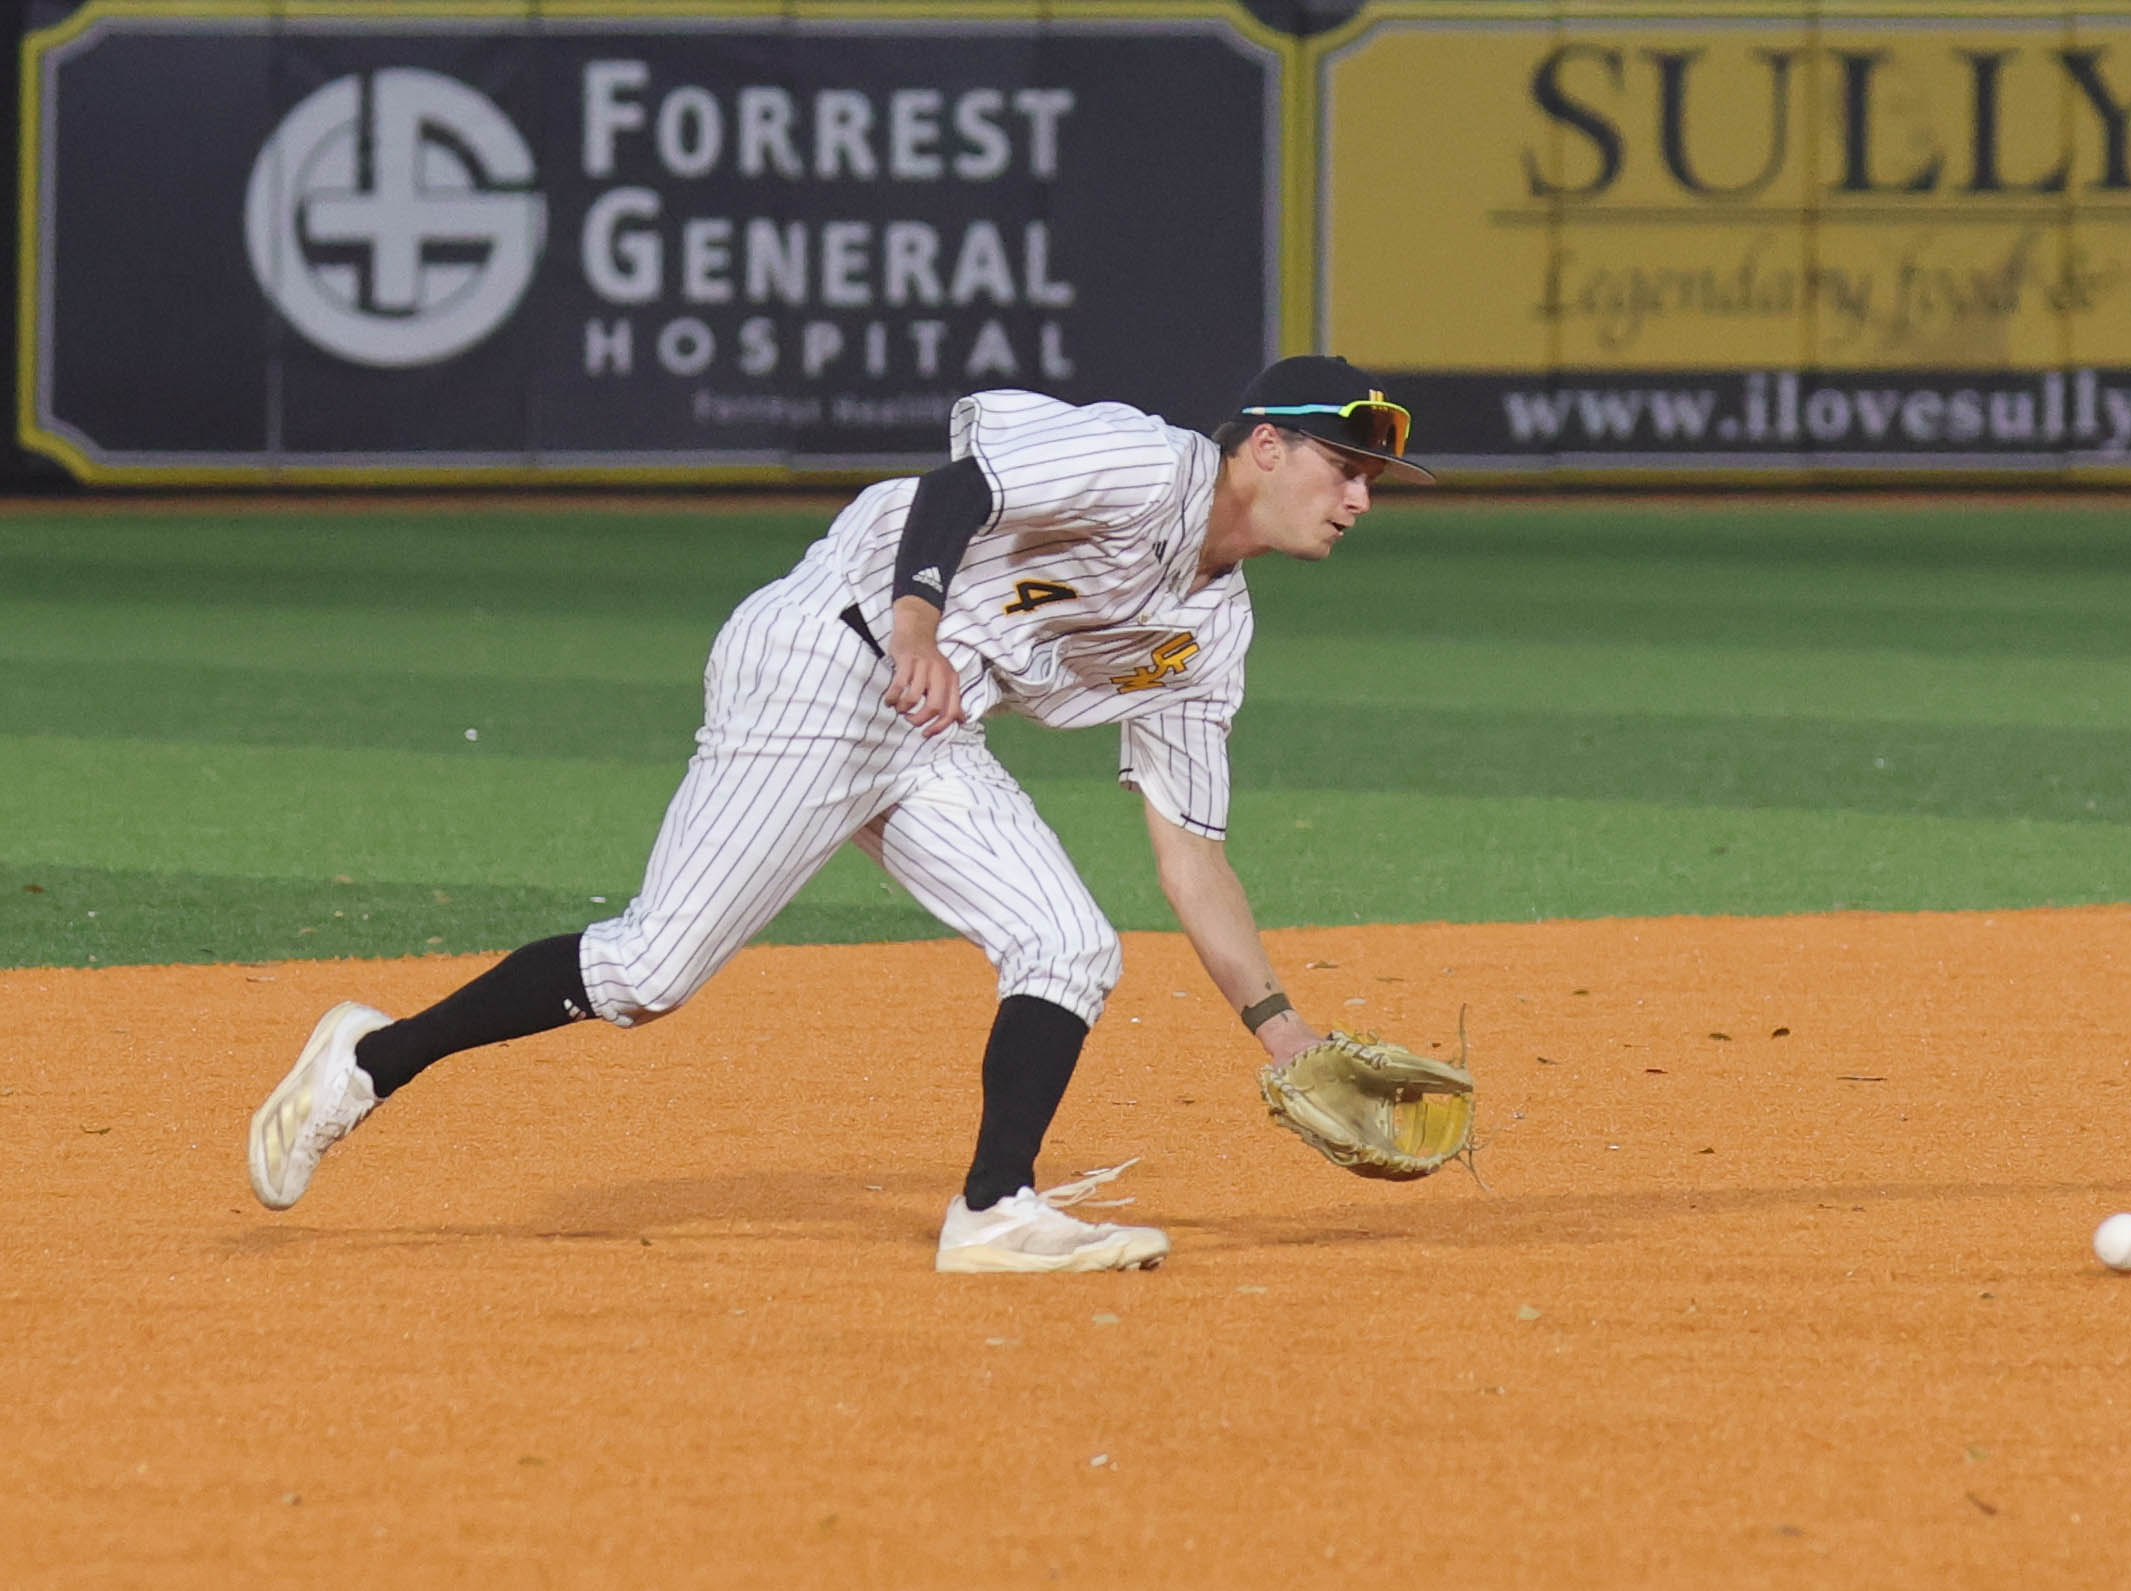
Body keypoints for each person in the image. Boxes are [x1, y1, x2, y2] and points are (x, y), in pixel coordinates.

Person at [246, 355, 1432, 1273]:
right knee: (648, 971)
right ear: (1264, 446)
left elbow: (1191, 855)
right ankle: (369, 1058)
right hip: (827, 655)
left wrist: (1284, 1034)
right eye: (1345, 468)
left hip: (927, 723)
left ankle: (994, 1210)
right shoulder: (1147, 463)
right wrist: (918, 623)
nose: (1359, 499)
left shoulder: (1209, 636)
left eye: (1370, 482)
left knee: (1068, 944)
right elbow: (960, 487)